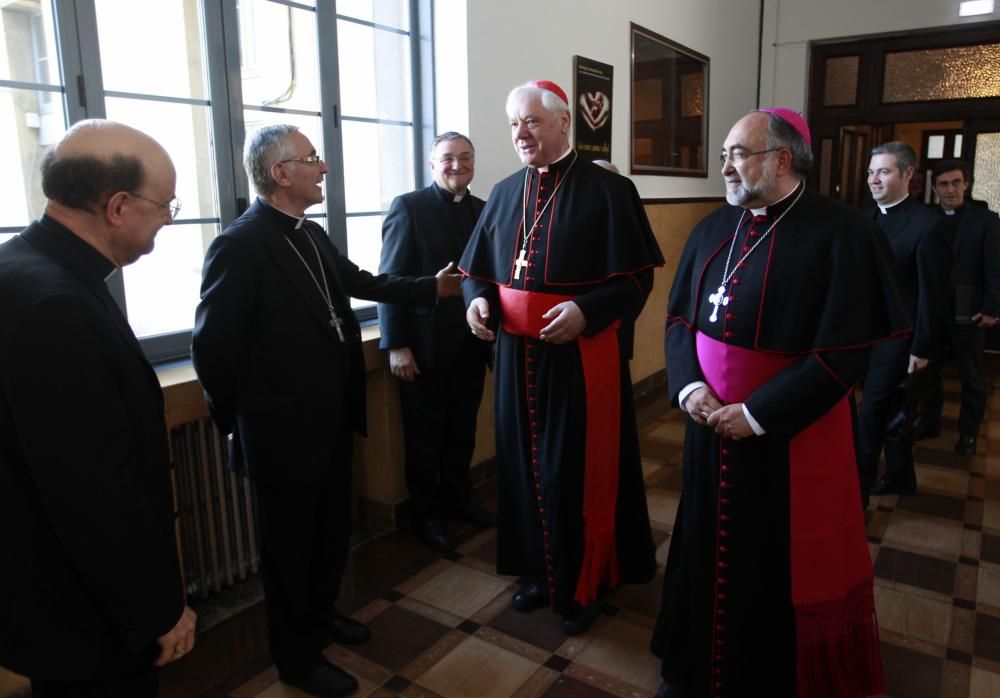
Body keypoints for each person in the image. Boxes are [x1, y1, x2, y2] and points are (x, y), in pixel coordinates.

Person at [192, 125, 461, 698]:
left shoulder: (308, 235)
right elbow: (211, 350)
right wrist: (242, 426)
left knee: (327, 535)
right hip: (279, 435)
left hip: (330, 421)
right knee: (288, 550)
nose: (323, 168)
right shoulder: (240, 245)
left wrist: (428, 290)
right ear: (279, 173)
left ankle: (320, 619)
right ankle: (296, 659)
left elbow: (360, 281)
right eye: (312, 158)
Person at [652, 108, 907, 697]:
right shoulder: (713, 228)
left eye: (738, 153)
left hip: (789, 434)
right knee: (702, 546)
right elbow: (678, 319)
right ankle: (693, 666)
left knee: (770, 561)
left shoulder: (842, 230)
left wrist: (759, 413)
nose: (726, 167)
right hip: (706, 426)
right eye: (725, 155)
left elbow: (845, 351)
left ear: (782, 159)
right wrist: (690, 386)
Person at [0, 120, 196, 697]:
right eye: (166, 204)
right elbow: (92, 495)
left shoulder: (22, 267)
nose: (168, 218)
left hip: (49, 593)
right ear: (117, 206)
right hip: (84, 612)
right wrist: (156, 612)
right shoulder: (56, 305)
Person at [461, 80, 662, 636]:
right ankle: (539, 573)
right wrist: (476, 302)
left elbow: (635, 279)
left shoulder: (607, 190)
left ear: (562, 121)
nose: (520, 134)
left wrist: (587, 311)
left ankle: (583, 580)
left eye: (530, 121)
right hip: (514, 358)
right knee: (523, 469)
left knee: (570, 469)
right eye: (512, 125)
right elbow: (476, 272)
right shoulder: (503, 193)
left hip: (577, 360)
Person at [378, 131, 493, 552]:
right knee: (425, 438)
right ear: (432, 165)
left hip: (471, 344)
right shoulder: (408, 207)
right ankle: (426, 516)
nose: (457, 166)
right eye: (447, 159)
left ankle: (458, 501)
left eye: (465, 157)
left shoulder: (484, 210)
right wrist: (396, 344)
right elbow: (391, 281)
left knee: (462, 431)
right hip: (423, 348)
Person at [858, 141, 950, 496]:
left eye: (883, 171)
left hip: (899, 337)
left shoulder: (928, 225)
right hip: (863, 335)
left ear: (907, 174)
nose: (874, 179)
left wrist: (922, 348)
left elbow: (933, 294)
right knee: (890, 409)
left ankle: (858, 489)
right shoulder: (863, 218)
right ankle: (901, 475)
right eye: (871, 172)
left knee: (871, 414)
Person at [917, 159, 1000, 455]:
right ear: (934, 187)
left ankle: (969, 433)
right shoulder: (927, 219)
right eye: (943, 184)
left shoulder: (986, 220)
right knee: (929, 371)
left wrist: (992, 306)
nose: (950, 189)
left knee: (971, 375)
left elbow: (994, 267)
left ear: (966, 184)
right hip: (932, 308)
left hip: (969, 305)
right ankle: (929, 421)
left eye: (955, 182)